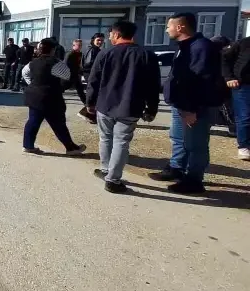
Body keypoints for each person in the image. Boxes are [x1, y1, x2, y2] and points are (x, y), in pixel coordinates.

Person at [148, 13, 223, 194]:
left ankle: (194, 180)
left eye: (168, 26)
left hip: (194, 106)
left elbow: (201, 81)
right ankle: (176, 168)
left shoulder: (201, 47)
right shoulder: (185, 46)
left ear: (180, 27)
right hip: (181, 104)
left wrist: (191, 109)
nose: (166, 30)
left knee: (195, 143)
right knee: (178, 138)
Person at [85, 21, 160, 193]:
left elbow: (93, 81)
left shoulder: (106, 53)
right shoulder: (146, 55)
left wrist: (90, 102)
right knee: (121, 141)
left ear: (117, 34)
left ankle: (107, 171)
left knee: (106, 138)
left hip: (105, 105)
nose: (109, 37)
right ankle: (113, 178)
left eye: (111, 34)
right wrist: (152, 108)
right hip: (131, 106)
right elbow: (153, 85)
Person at [21, 38, 87, 155]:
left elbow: (25, 72)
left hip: (34, 97)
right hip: (51, 98)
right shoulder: (57, 63)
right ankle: (71, 148)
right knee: (58, 124)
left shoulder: (32, 63)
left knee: (33, 121)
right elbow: (67, 77)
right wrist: (59, 88)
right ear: (53, 50)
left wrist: (33, 84)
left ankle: (28, 145)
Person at [221, 35, 250, 161]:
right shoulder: (244, 43)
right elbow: (224, 58)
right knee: (245, 115)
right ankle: (244, 146)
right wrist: (229, 77)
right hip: (243, 85)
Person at [78, 33, 105, 123]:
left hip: (91, 74)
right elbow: (88, 64)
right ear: (93, 40)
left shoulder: (94, 49)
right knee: (93, 94)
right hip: (90, 74)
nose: (100, 42)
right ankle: (88, 114)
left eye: (102, 40)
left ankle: (89, 115)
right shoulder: (92, 50)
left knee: (94, 94)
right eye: (98, 40)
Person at [64, 39, 86, 105]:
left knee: (80, 89)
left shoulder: (80, 54)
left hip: (76, 75)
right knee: (62, 88)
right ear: (74, 45)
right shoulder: (70, 54)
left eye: (81, 45)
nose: (80, 47)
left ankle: (86, 103)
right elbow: (65, 65)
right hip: (69, 75)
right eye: (78, 45)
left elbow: (80, 64)